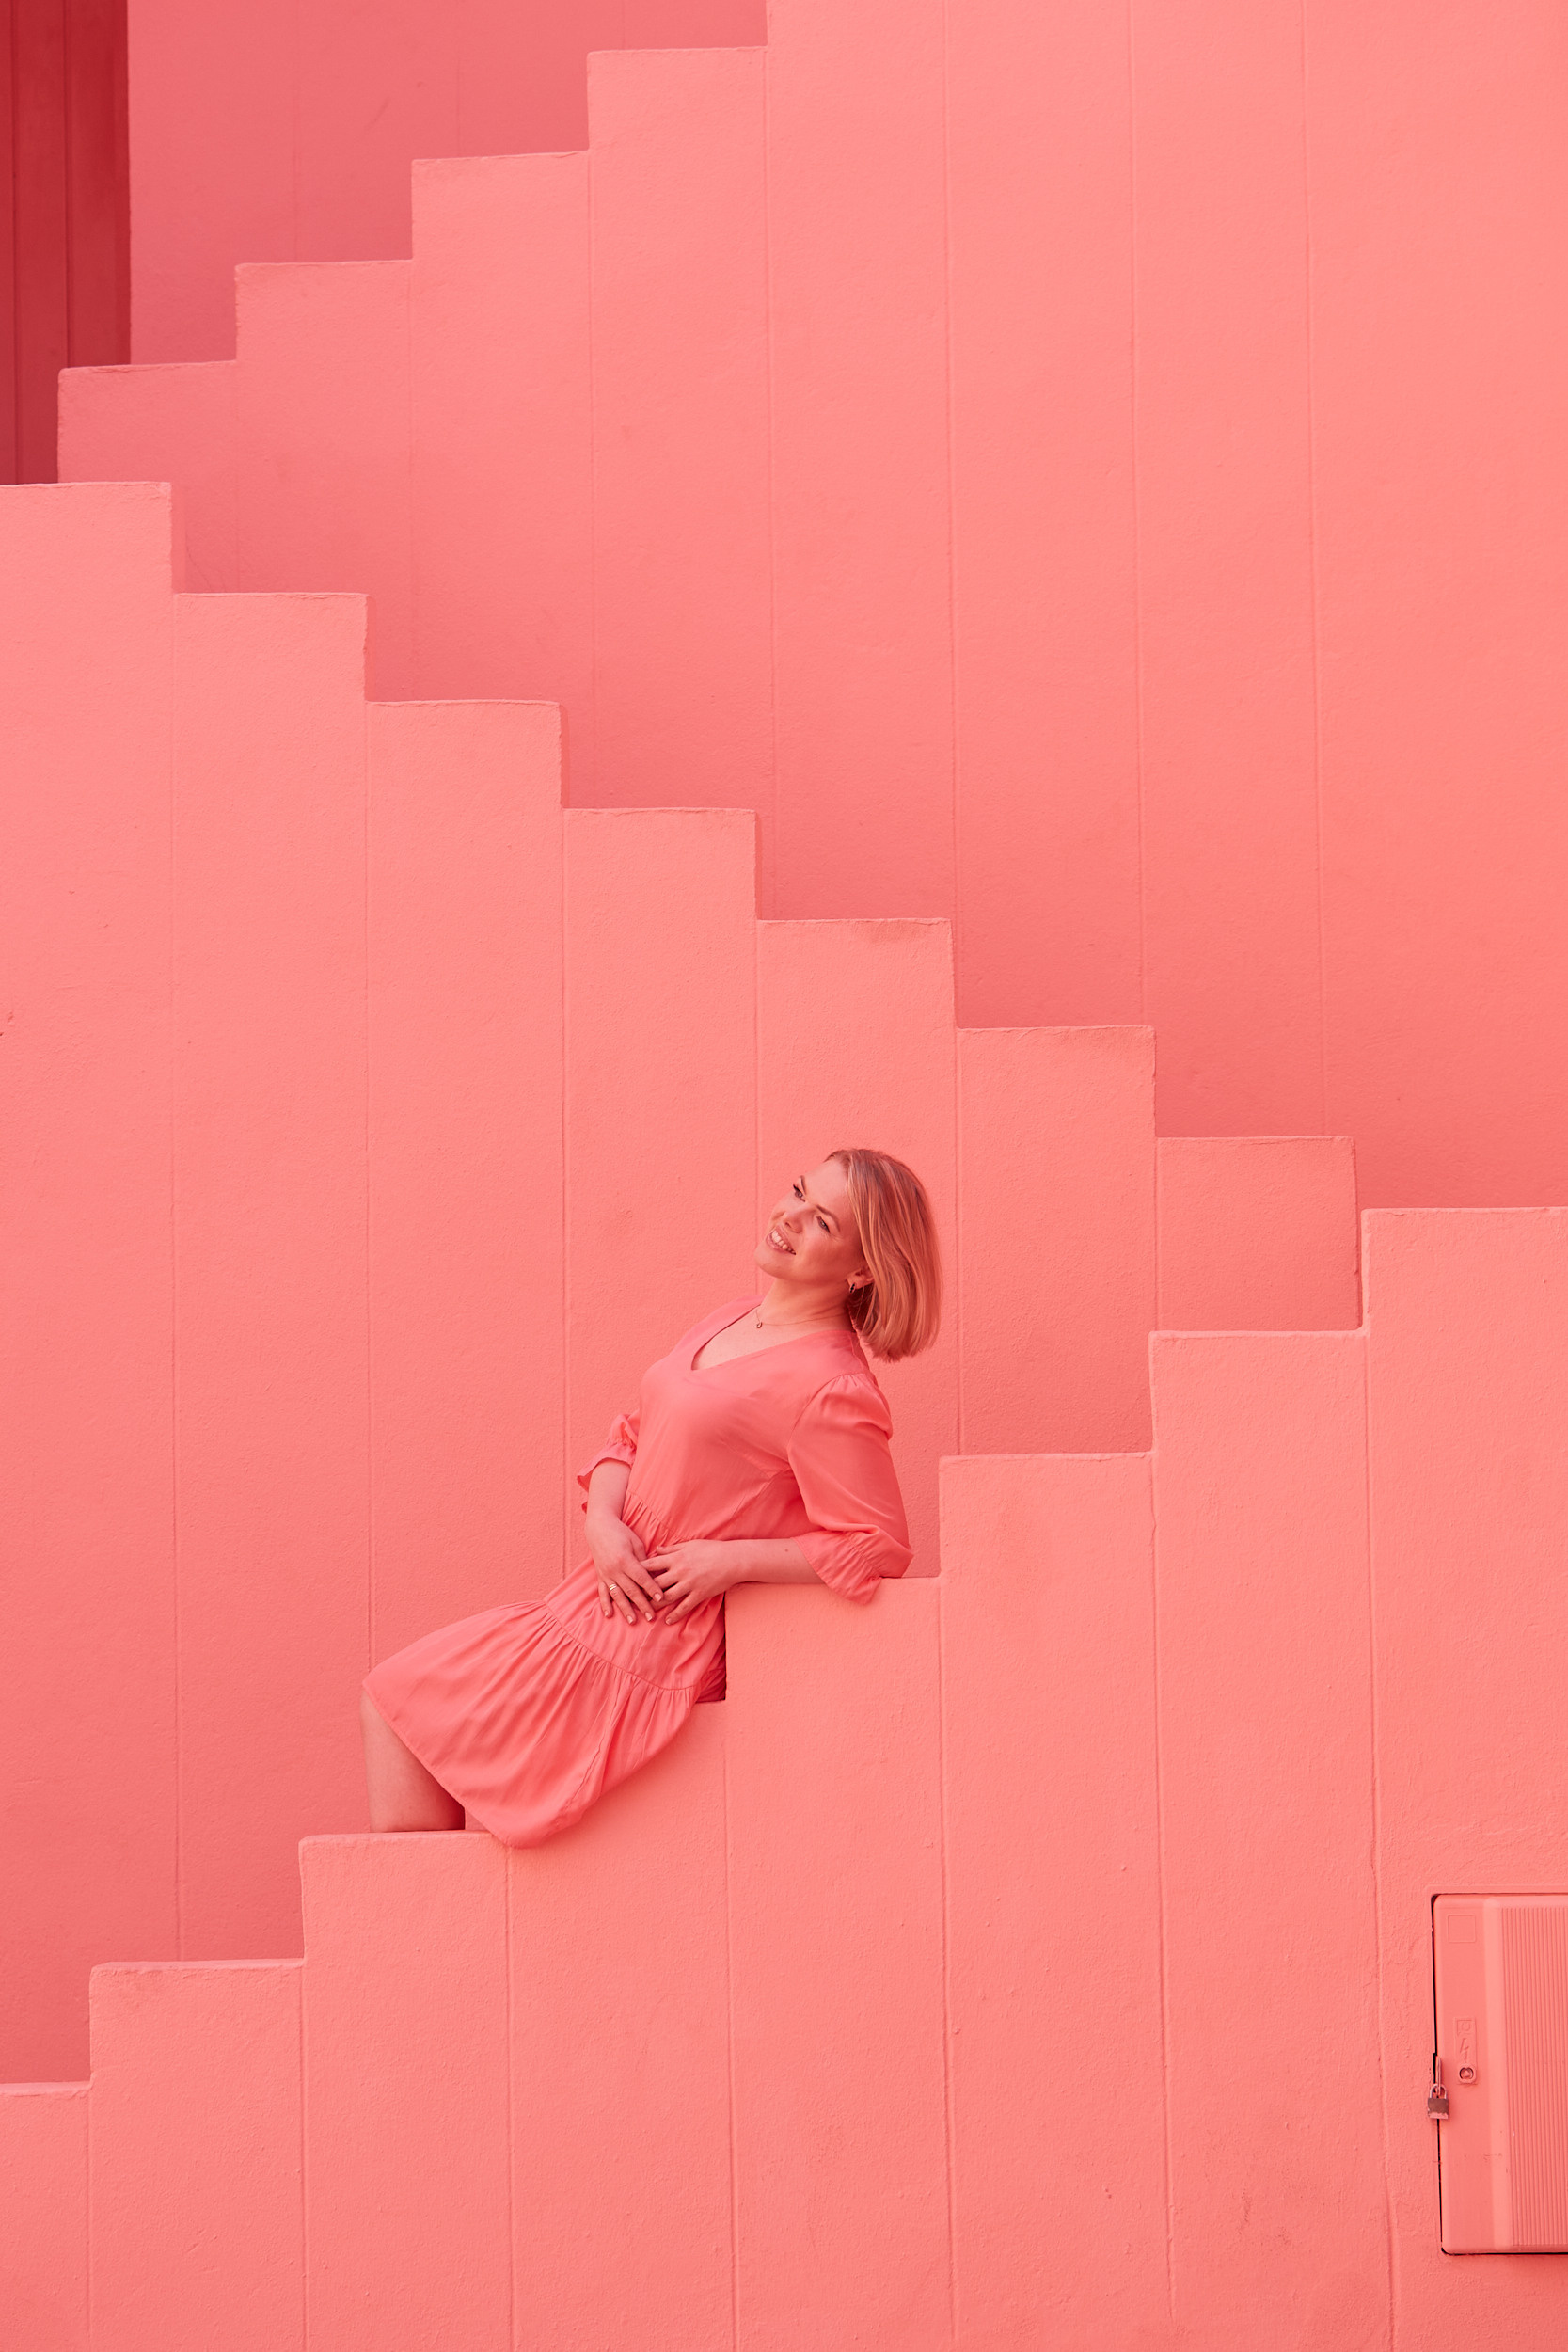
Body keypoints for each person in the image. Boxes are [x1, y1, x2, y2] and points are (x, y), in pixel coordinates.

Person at [360, 1148, 942, 1847]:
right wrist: (603, 1524)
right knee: (395, 1706)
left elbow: (878, 1545)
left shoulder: (832, 1386)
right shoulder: (733, 1318)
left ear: (862, 1270)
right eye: (797, 1191)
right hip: (598, 1587)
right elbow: (632, 1433)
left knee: (399, 1706)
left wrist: (730, 1562)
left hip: (654, 1627)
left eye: (821, 1221)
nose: (788, 1216)